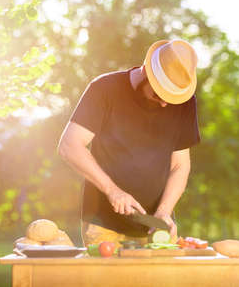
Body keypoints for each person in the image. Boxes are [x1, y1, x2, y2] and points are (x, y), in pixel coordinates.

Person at [58, 39, 200, 248]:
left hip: (156, 229)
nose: (165, 103)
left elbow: (180, 165)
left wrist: (164, 211)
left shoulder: (184, 103)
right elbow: (70, 146)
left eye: (172, 97)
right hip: (103, 226)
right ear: (146, 71)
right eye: (159, 93)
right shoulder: (104, 89)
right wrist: (112, 190)